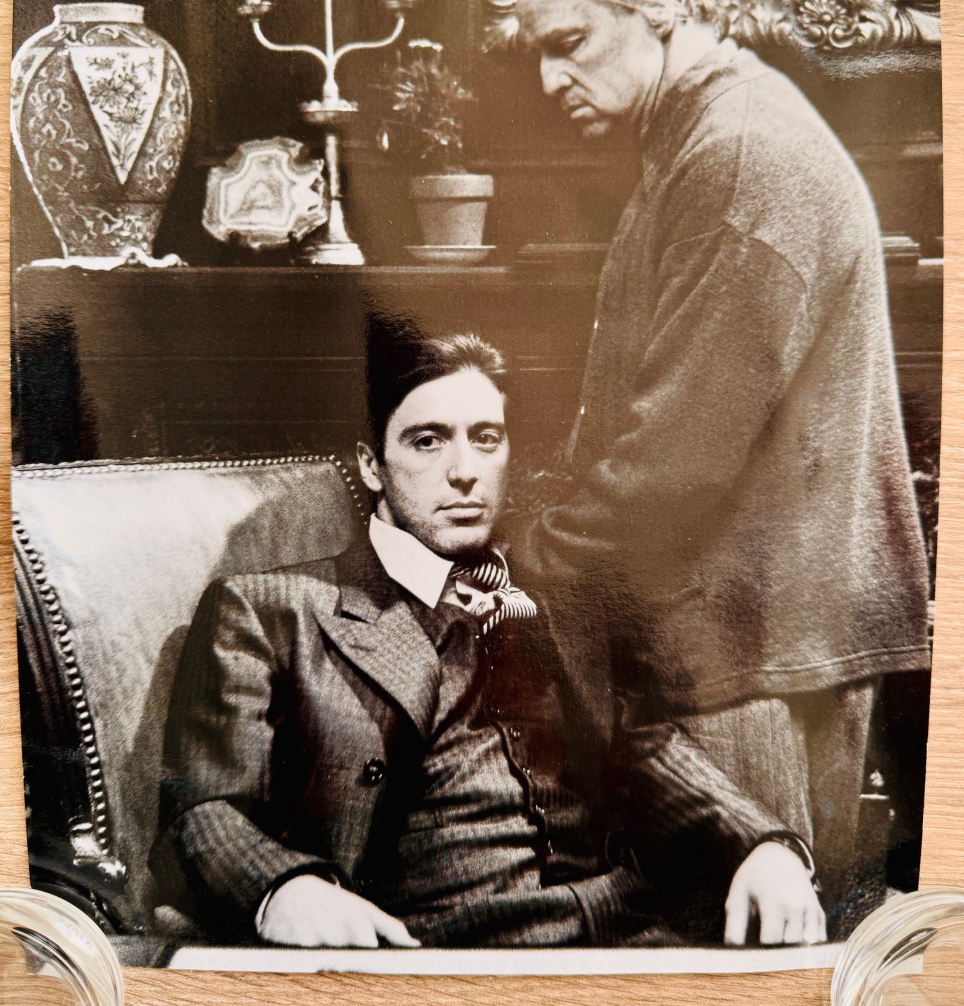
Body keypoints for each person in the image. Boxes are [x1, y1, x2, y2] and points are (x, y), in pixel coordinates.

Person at [509, 0, 931, 927]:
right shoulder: (704, 136)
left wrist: (528, 557)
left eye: (569, 42)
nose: (549, 78)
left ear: (659, 2)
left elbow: (675, 462)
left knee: (745, 957)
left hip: (754, 659)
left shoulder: (738, 151)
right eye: (538, 52)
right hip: (738, 640)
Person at [152, 330, 824, 949]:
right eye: (428, 442)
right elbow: (204, 810)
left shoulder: (554, 598)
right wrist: (284, 890)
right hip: (435, 954)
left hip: (625, 936)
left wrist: (765, 845)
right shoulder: (271, 610)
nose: (464, 471)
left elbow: (638, 746)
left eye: (486, 439)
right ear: (371, 464)